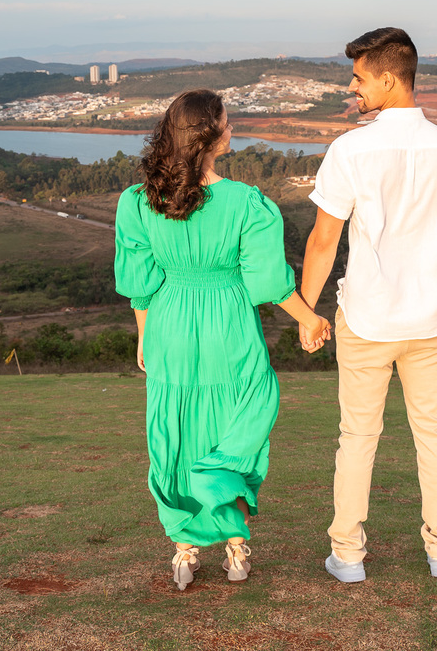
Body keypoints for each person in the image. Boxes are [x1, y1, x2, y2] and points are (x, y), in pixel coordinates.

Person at [115, 88, 331, 591]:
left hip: (171, 325)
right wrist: (310, 318)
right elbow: (266, 280)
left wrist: (145, 336)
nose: (233, 128)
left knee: (176, 431)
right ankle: (236, 546)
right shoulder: (245, 203)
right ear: (213, 137)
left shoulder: (140, 201)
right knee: (241, 418)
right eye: (229, 122)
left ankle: (185, 550)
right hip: (229, 324)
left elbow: (140, 281)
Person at [299, 27, 437, 582]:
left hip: (368, 319)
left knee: (358, 436)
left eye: (358, 77)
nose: (351, 87)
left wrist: (307, 313)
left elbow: (324, 241)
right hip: (431, 319)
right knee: (435, 434)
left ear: (387, 78)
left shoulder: (350, 149)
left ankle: (349, 557)